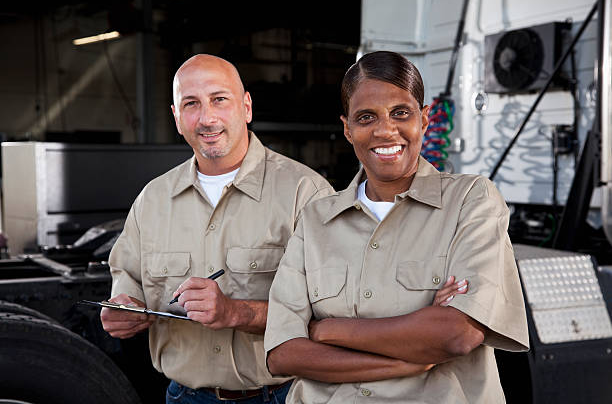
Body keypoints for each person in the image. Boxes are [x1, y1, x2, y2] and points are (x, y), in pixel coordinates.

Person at [264, 51, 529, 403]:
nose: (385, 130)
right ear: (347, 128)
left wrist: (328, 330)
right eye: (366, 117)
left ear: (424, 118)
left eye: (400, 113)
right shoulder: (315, 221)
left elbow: (456, 335)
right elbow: (283, 354)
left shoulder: (470, 201)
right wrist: (412, 358)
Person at [99, 54, 338, 404]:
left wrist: (235, 312)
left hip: (282, 394)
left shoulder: (306, 193)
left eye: (219, 100)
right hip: (185, 396)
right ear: (177, 117)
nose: (207, 118)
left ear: (246, 107)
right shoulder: (153, 199)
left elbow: (331, 313)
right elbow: (128, 276)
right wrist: (125, 307)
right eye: (191, 104)